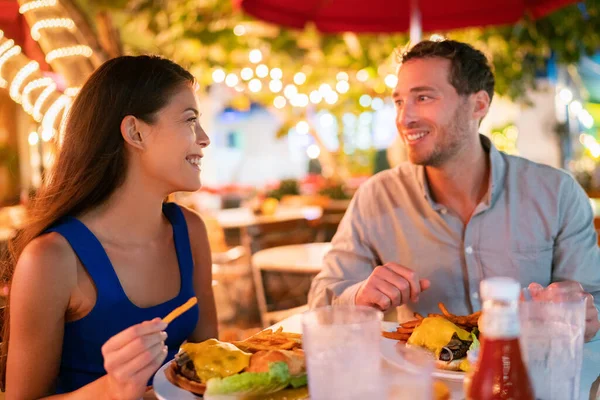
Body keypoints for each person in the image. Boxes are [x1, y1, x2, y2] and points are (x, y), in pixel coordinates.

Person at [308, 40, 600, 342]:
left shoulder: (557, 193)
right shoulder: (377, 197)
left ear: (478, 104)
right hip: (426, 385)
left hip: (528, 381)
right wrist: (358, 296)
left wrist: (586, 315)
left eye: (423, 97)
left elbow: (593, 300)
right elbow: (321, 299)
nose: (403, 118)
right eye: (398, 101)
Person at [0, 55, 217, 398]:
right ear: (135, 132)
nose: (203, 139)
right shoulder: (51, 259)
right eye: (189, 120)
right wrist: (112, 388)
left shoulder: (190, 231)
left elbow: (214, 367)